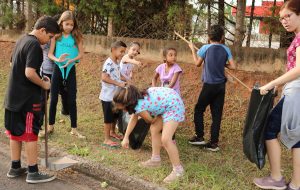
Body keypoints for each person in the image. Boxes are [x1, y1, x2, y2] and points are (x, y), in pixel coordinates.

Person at [4, 16, 59, 183]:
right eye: (49, 37)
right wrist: (43, 84)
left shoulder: (22, 39)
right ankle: (33, 172)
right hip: (27, 100)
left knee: (15, 133)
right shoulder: (34, 44)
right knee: (30, 134)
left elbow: (13, 63)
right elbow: (29, 72)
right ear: (42, 30)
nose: (48, 42)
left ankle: (15, 168)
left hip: (12, 97)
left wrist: (40, 78)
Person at [253, 1, 300, 189]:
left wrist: (272, 83)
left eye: (288, 16)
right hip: (294, 90)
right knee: (297, 137)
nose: (284, 21)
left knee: (269, 129)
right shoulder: (297, 37)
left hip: (296, 90)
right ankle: (296, 184)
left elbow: (298, 70)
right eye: (281, 18)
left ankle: (276, 178)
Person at [114, 85, 185, 183]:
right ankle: (155, 159)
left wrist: (154, 119)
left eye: (119, 105)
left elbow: (149, 120)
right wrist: (126, 137)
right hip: (166, 102)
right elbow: (133, 119)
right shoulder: (137, 99)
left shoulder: (138, 106)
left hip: (173, 105)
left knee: (166, 139)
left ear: (126, 103)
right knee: (154, 129)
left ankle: (178, 170)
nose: (118, 108)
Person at [188, 24, 236, 151]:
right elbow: (233, 66)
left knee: (199, 109)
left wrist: (192, 49)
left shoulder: (205, 48)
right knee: (217, 114)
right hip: (221, 86)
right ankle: (214, 143)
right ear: (221, 38)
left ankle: (199, 137)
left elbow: (197, 64)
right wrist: (223, 64)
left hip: (209, 86)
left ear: (209, 37)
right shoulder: (226, 49)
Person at [48, 11, 85, 138]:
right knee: (53, 99)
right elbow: (50, 54)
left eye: (71, 24)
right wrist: (58, 60)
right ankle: (50, 126)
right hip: (58, 69)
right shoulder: (56, 36)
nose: (69, 27)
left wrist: (71, 60)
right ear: (61, 23)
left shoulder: (76, 36)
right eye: (67, 24)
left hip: (70, 69)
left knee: (72, 100)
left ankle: (74, 129)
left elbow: (81, 54)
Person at [39, 14, 69, 138]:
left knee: (66, 94)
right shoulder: (49, 38)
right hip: (48, 71)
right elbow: (41, 46)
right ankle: (39, 123)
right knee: (44, 99)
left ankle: (65, 111)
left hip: (62, 71)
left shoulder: (65, 38)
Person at [99, 41, 127, 147]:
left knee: (115, 115)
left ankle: (112, 132)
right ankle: (106, 139)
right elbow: (104, 77)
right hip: (107, 97)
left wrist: (126, 80)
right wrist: (118, 83)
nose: (123, 54)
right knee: (108, 118)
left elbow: (117, 74)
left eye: (124, 52)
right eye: (121, 51)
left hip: (115, 96)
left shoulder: (116, 63)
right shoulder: (109, 62)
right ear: (113, 49)